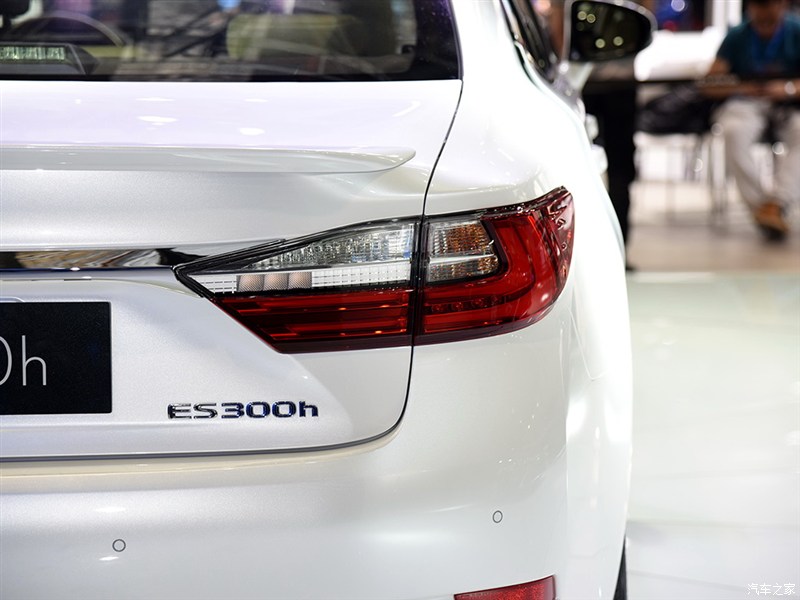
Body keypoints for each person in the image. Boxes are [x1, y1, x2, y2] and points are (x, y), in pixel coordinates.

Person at [703, 0, 800, 241]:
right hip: (746, 102)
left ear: (782, 5)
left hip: (788, 103)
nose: (764, 12)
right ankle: (763, 209)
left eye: (769, 5)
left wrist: (787, 88)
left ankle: (778, 203)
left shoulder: (795, 31)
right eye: (758, 5)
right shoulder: (738, 36)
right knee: (733, 131)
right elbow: (710, 83)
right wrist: (742, 87)